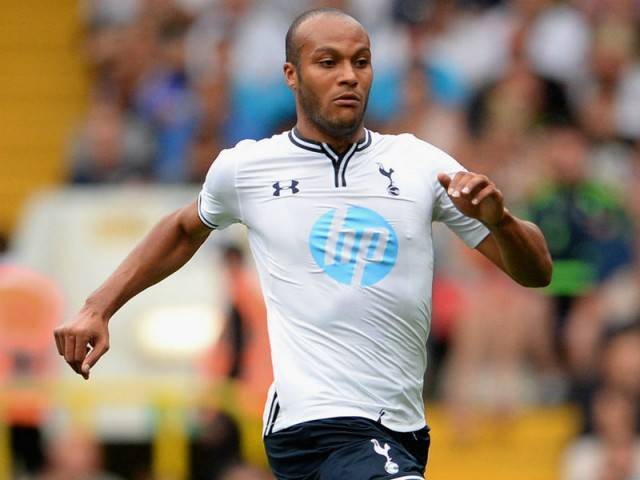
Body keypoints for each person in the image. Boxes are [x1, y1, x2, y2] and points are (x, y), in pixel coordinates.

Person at [54, 8, 552, 479]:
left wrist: (502, 221)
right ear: (291, 75)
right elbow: (184, 228)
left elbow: (536, 272)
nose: (349, 76)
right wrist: (98, 307)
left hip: (402, 427)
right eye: (328, 62)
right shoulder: (248, 168)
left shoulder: (419, 163)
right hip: (314, 422)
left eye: (361, 62)